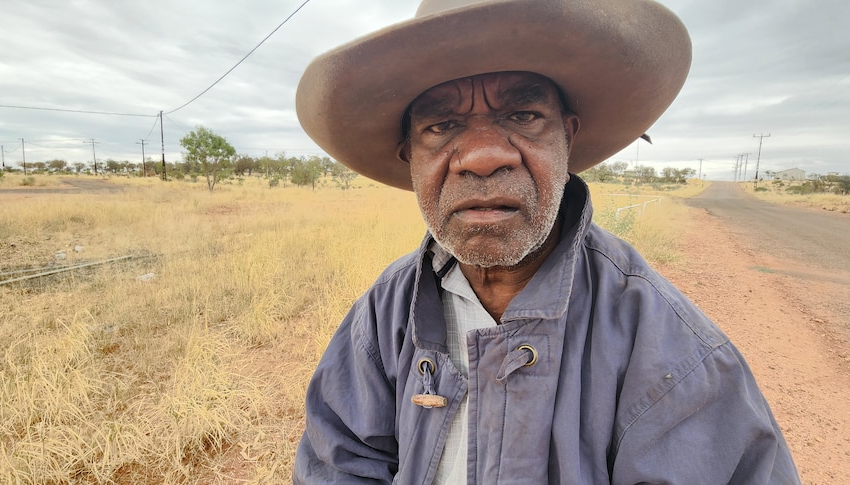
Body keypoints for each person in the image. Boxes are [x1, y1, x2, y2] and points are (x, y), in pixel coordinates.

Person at [292, 0, 800, 483]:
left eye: (522, 116)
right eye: (442, 125)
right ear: (410, 156)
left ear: (567, 137)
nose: (483, 156)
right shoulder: (385, 312)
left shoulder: (674, 352)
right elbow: (338, 464)